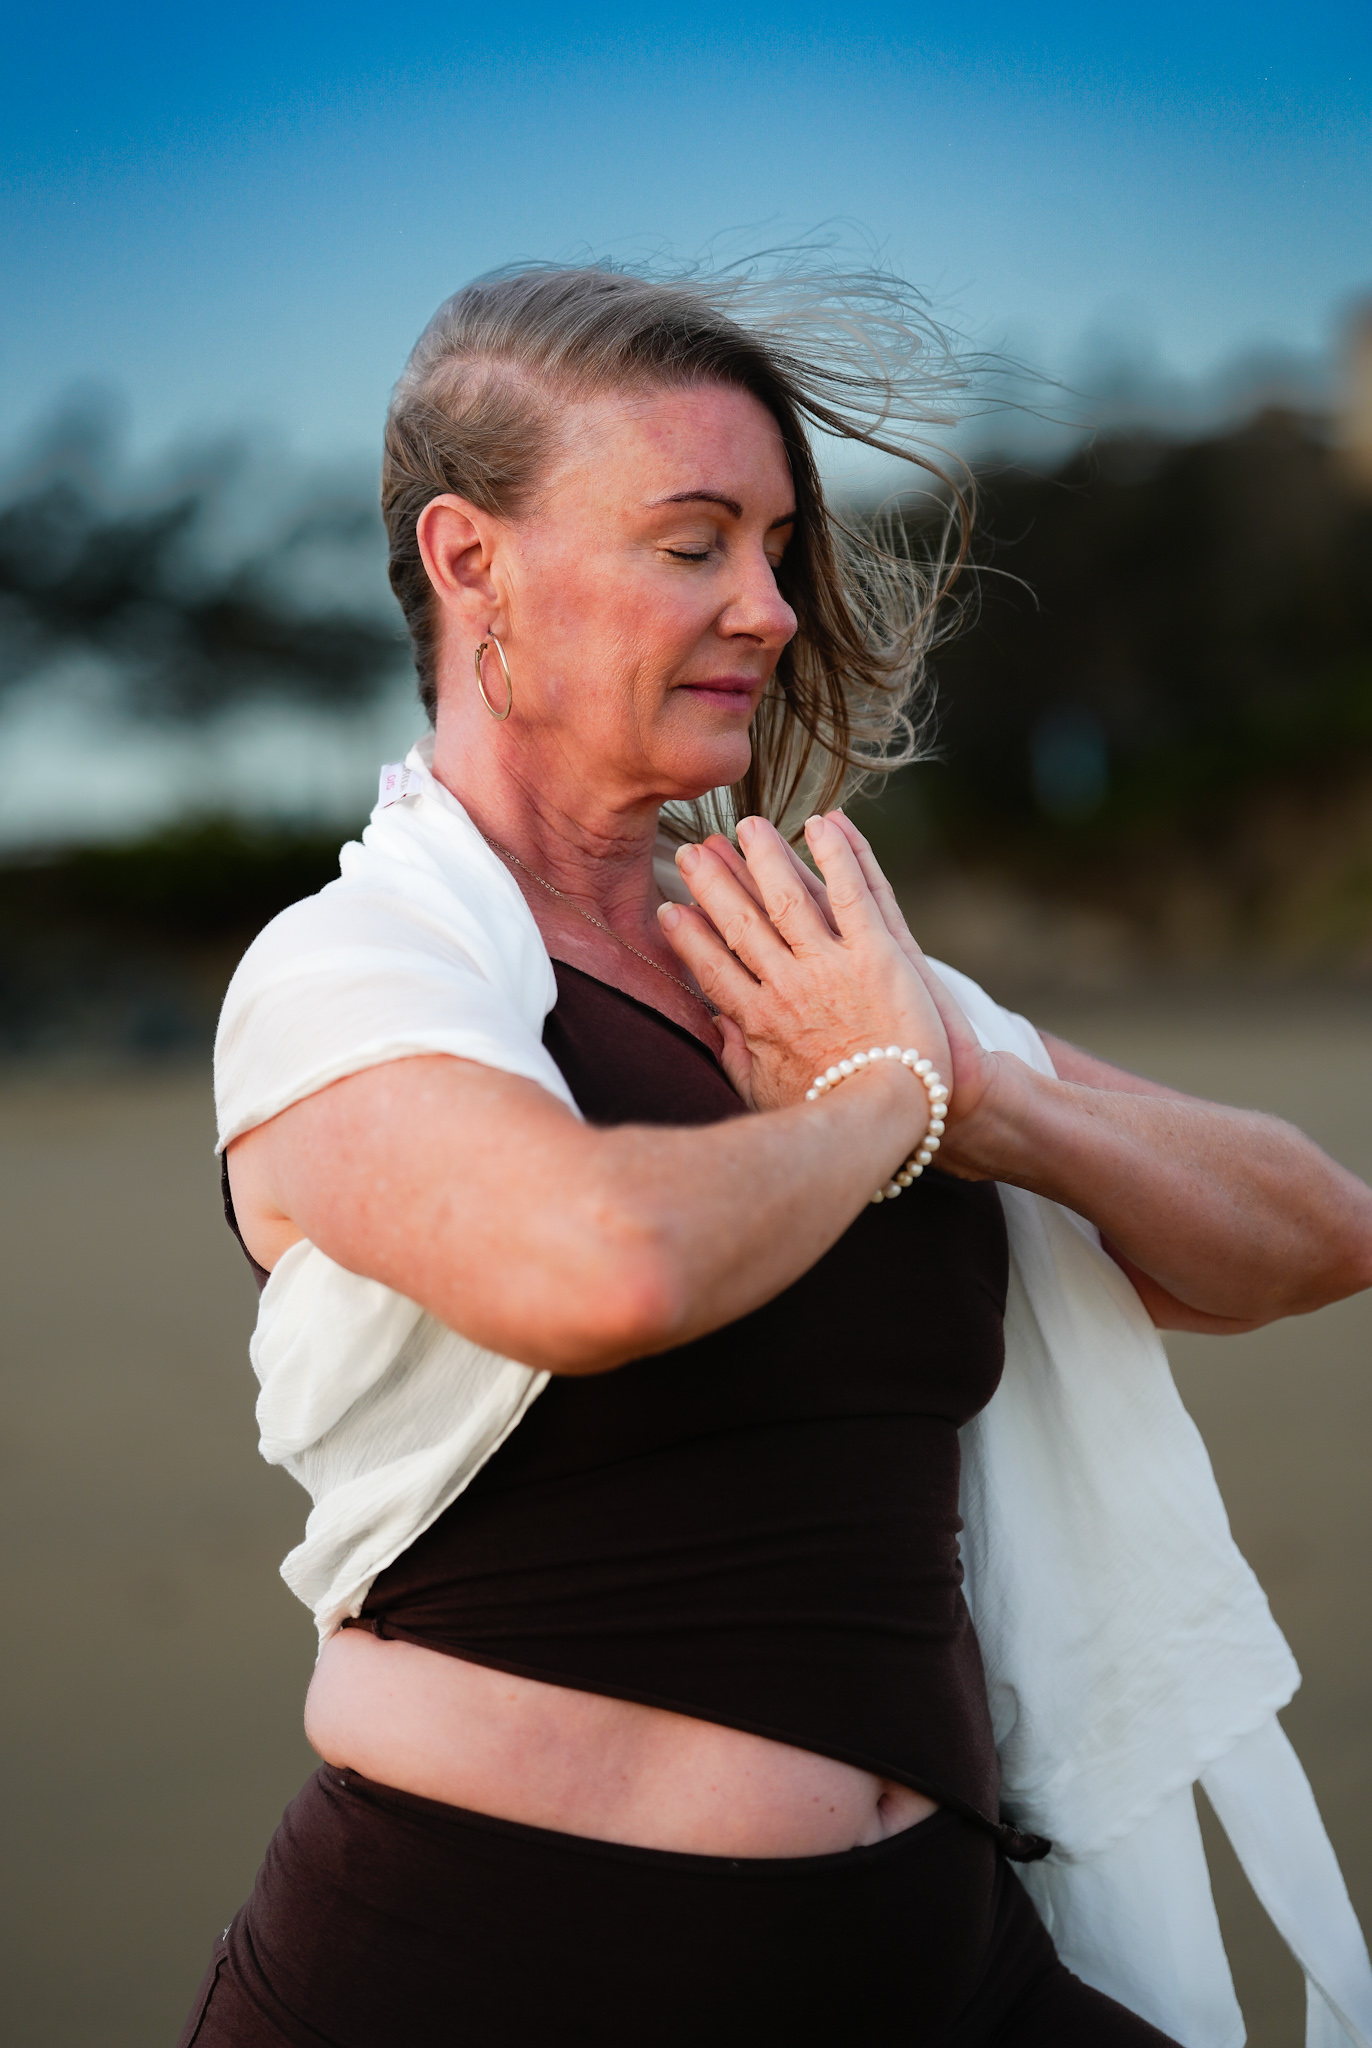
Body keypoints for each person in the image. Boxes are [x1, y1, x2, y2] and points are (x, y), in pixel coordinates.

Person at [182, 264, 1372, 2047]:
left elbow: (1312, 1230)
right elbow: (604, 1266)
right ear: (467, 559)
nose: (769, 605)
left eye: (779, 546)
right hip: (494, 1970)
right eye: (693, 543)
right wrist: (885, 1101)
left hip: (946, 1971)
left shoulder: (812, 967)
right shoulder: (354, 969)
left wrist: (993, 1099)